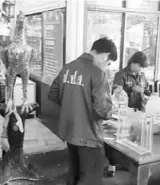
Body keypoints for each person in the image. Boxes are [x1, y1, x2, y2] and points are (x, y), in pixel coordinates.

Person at [48, 37, 117, 185]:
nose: (107, 66)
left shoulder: (68, 67)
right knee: (91, 178)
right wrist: (111, 111)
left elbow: (52, 93)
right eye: (108, 63)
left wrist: (71, 105)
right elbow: (103, 109)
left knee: (75, 173)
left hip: (69, 131)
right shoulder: (98, 73)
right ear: (105, 55)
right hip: (89, 135)